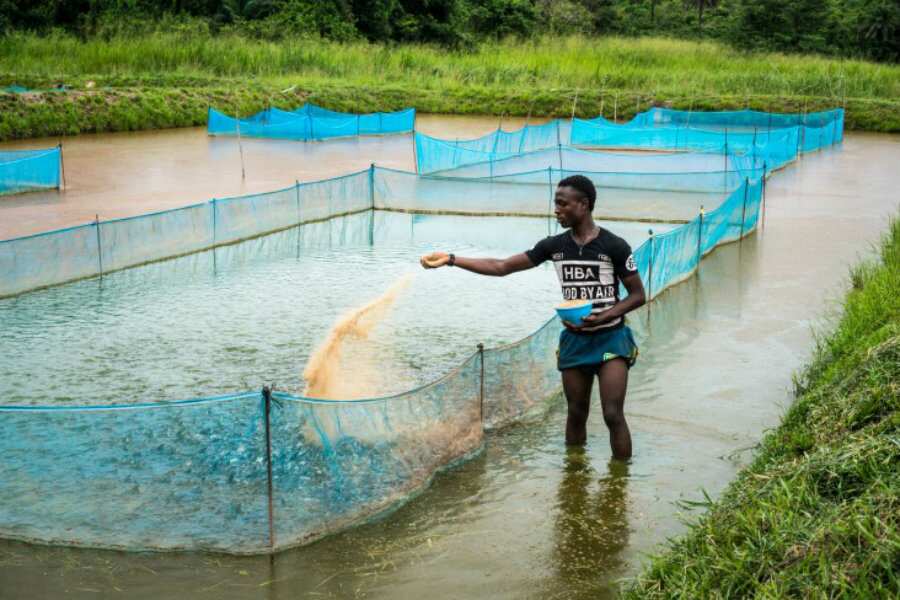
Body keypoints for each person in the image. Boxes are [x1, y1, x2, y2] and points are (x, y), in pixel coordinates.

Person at [420, 175, 645, 459]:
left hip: (611, 339)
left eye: (562, 204)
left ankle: (619, 485)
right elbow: (501, 266)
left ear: (584, 205)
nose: (556, 210)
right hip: (575, 341)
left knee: (612, 414)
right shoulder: (554, 246)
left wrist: (604, 317)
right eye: (556, 203)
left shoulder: (614, 246)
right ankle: (574, 477)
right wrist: (451, 259)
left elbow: (637, 295)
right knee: (576, 413)